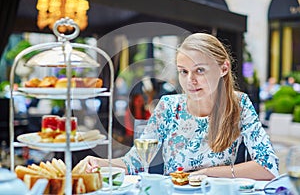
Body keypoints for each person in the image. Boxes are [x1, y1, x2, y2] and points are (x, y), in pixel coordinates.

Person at [77, 33, 279, 180]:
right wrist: (102, 163)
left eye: (199, 70)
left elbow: (268, 167)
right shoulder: (168, 107)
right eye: (183, 71)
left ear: (223, 68)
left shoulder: (239, 104)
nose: (190, 80)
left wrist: (207, 173)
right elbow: (136, 161)